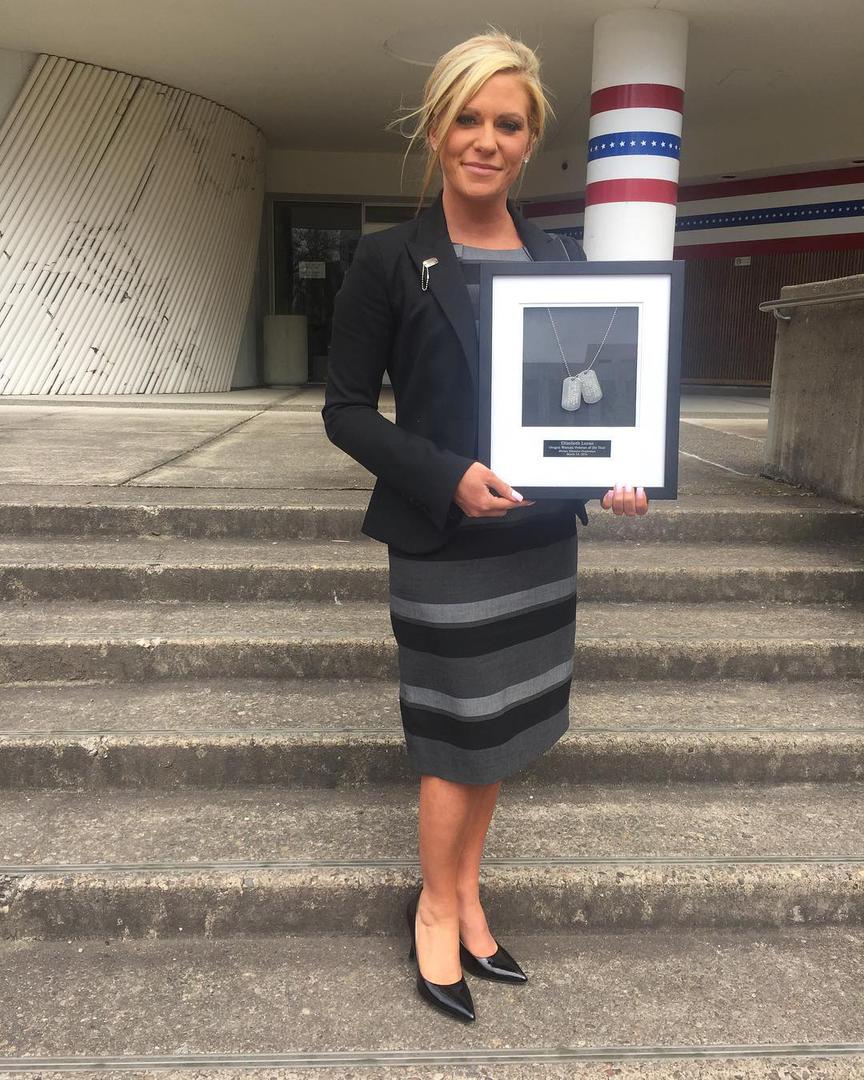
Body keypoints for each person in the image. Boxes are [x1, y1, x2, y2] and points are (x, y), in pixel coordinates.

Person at [322, 29, 649, 1024]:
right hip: (443, 544)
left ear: (530, 139)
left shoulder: (560, 256)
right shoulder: (389, 258)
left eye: (508, 124)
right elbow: (344, 412)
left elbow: (581, 408)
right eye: (468, 117)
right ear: (437, 127)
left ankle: (468, 896)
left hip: (537, 544)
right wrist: (446, 475)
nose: (487, 139)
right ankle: (433, 907)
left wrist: (614, 476)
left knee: (499, 734)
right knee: (453, 737)